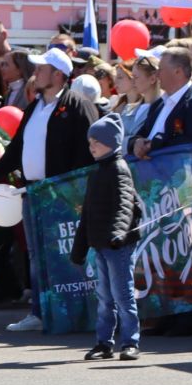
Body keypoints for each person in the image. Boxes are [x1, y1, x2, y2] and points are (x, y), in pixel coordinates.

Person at [0, 48, 98, 332]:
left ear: (59, 75)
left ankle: (74, 313)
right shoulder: (34, 106)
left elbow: (89, 152)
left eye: (42, 68)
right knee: (37, 255)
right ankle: (40, 312)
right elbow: (16, 148)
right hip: (33, 193)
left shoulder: (78, 106)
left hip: (63, 195)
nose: (36, 73)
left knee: (68, 254)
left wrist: (73, 190)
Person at [71, 115, 143, 361]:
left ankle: (130, 341)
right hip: (100, 244)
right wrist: (79, 248)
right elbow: (87, 215)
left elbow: (125, 204)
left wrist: (119, 232)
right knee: (104, 297)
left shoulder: (119, 170)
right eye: (90, 142)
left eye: (97, 142)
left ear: (112, 143)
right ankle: (104, 342)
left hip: (118, 244)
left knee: (123, 294)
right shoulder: (96, 173)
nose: (92, 147)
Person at [130, 47, 192, 159]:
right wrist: (136, 142)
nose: (157, 75)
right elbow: (140, 134)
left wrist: (153, 144)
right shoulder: (159, 104)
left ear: (178, 72)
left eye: (160, 69)